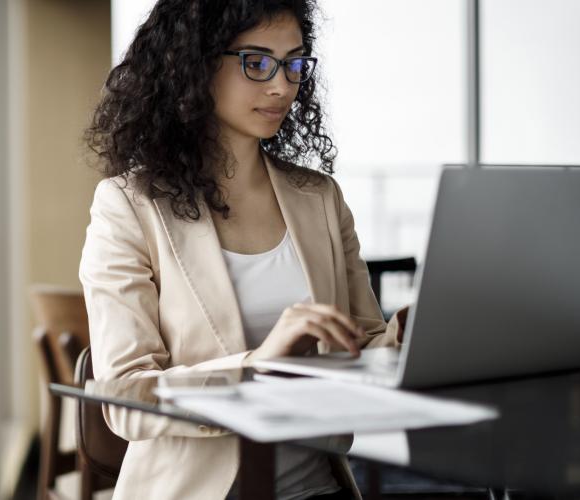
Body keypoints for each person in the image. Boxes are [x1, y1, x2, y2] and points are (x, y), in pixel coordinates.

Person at [79, 0, 406, 498]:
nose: (282, 86)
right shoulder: (129, 207)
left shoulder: (319, 198)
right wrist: (258, 365)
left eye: (294, 63)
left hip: (319, 489)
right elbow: (125, 397)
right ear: (194, 63)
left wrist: (410, 335)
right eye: (257, 63)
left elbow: (360, 348)